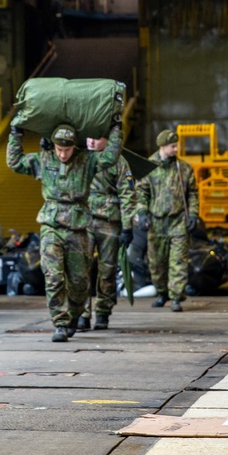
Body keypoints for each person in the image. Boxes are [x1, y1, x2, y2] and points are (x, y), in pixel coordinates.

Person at [7, 118, 122, 342]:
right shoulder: (44, 159)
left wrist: (116, 130)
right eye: (59, 149)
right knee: (53, 276)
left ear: (74, 146)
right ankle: (59, 323)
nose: (62, 154)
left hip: (78, 228)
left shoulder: (87, 161)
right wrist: (15, 135)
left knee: (79, 282)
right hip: (51, 226)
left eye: (67, 149)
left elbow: (110, 157)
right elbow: (15, 163)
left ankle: (74, 315)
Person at [135, 129, 199, 312]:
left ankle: (176, 297)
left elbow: (193, 193)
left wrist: (193, 214)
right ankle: (162, 292)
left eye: (176, 145)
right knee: (156, 263)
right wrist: (142, 213)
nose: (176, 149)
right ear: (162, 146)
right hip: (156, 222)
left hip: (178, 221)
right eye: (172, 146)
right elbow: (141, 193)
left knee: (178, 261)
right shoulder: (148, 167)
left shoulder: (184, 169)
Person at [78, 136, 136, 331]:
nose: (91, 142)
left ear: (106, 140)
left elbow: (128, 195)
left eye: (96, 138)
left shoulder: (118, 161)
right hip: (83, 221)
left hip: (109, 223)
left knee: (107, 270)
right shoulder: (80, 157)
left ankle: (103, 312)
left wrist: (128, 227)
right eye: (89, 138)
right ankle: (82, 314)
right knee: (80, 268)